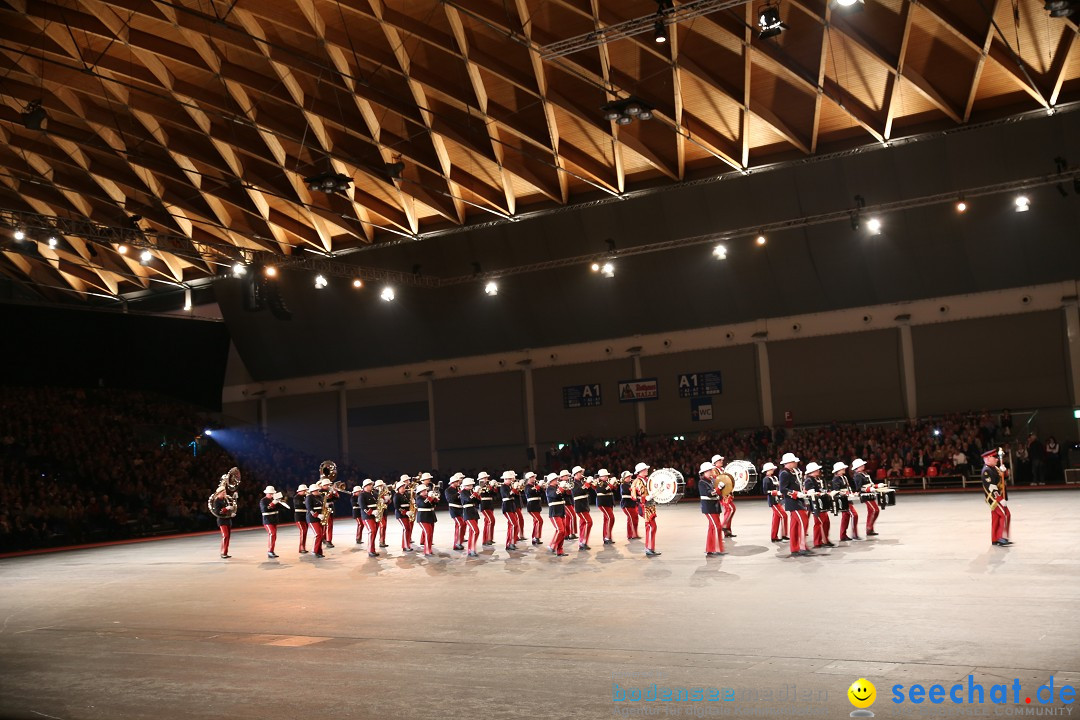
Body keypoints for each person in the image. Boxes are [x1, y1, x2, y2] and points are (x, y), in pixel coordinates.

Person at [778, 452, 811, 557]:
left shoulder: (792, 472)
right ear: (789, 463)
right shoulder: (784, 473)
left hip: (797, 501)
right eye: (793, 461)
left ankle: (794, 548)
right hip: (793, 502)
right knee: (803, 522)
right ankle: (802, 546)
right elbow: (782, 489)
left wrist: (802, 492)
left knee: (795, 526)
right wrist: (795, 494)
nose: (796, 463)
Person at [981, 449, 1013, 547]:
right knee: (1004, 514)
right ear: (988, 458)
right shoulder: (986, 471)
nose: (997, 459)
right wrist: (1000, 499)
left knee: (997, 517)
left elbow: (1004, 479)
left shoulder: (994, 468)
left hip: (999, 496)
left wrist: (1005, 472)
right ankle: (1001, 537)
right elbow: (991, 487)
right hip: (994, 498)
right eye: (994, 458)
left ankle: (995, 539)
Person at [630, 462, 660, 557]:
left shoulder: (648, 480)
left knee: (653, 527)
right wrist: (645, 498)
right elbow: (633, 496)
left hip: (650, 505)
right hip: (644, 506)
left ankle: (651, 548)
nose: (647, 470)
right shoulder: (636, 481)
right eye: (645, 469)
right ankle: (649, 548)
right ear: (640, 471)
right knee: (650, 527)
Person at [803, 462, 833, 549]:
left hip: (821, 503)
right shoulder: (809, 480)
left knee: (825, 522)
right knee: (819, 522)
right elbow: (811, 492)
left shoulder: (817, 479)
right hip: (815, 504)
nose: (818, 471)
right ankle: (819, 541)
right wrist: (821, 493)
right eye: (816, 470)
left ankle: (824, 539)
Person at [698, 461, 724, 557]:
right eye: (709, 470)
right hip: (709, 507)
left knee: (712, 527)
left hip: (714, 506)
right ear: (704, 472)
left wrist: (720, 490)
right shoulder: (702, 482)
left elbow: (716, 492)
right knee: (717, 526)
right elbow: (710, 493)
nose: (711, 472)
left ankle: (710, 549)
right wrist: (718, 489)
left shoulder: (712, 480)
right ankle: (717, 549)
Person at [830, 461, 860, 541]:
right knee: (854, 515)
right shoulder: (835, 479)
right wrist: (846, 493)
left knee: (845, 517)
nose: (844, 469)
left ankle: (843, 535)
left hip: (847, 498)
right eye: (842, 468)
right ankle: (854, 534)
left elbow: (848, 487)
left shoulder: (844, 477)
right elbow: (837, 490)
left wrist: (851, 493)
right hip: (843, 500)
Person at [761, 462, 787, 543]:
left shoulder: (775, 477)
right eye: (771, 469)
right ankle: (784, 535)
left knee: (776, 519)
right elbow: (765, 491)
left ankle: (774, 536)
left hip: (778, 500)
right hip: (773, 501)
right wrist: (774, 492)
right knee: (784, 516)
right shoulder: (766, 479)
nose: (773, 470)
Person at [852, 458, 878, 536]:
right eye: (861, 465)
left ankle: (870, 529)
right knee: (874, 510)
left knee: (872, 511)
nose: (863, 465)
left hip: (869, 494)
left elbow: (870, 483)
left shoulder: (864, 473)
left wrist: (876, 486)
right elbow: (859, 488)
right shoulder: (858, 475)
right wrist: (869, 488)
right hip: (865, 495)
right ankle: (869, 527)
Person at [712, 454, 736, 538]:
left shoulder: (722, 470)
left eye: (721, 460)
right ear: (715, 462)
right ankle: (723, 526)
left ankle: (727, 531)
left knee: (730, 509)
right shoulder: (714, 470)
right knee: (731, 509)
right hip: (722, 494)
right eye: (719, 460)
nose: (721, 461)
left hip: (727, 493)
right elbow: (716, 482)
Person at [545, 473, 568, 557]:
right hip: (554, 512)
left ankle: (560, 551)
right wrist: (561, 488)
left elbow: (567, 496)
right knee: (560, 530)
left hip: (561, 511)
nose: (557, 481)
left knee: (563, 532)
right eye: (555, 479)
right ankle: (552, 545)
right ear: (551, 481)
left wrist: (566, 488)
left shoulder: (556, 488)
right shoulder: (549, 489)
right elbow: (555, 495)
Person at [210, 485, 235, 559]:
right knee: (225, 536)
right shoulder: (216, 501)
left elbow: (229, 509)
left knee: (228, 537)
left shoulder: (225, 500)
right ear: (219, 493)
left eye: (225, 492)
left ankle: (225, 552)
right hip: (221, 520)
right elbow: (218, 512)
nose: (225, 493)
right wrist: (226, 508)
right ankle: (223, 552)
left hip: (227, 519)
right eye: (223, 492)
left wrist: (231, 513)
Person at [499, 471, 522, 550]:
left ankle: (510, 543)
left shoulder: (509, 486)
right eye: (510, 479)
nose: (512, 480)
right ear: (506, 479)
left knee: (511, 525)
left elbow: (516, 496)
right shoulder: (503, 487)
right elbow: (507, 495)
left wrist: (517, 488)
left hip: (512, 507)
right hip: (507, 507)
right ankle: (511, 543)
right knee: (513, 524)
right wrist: (514, 489)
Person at [572, 467, 593, 550]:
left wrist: (590, 484)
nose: (582, 474)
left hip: (584, 505)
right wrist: (587, 484)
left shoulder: (581, 482)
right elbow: (578, 492)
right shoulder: (572, 483)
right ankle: (583, 542)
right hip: (580, 506)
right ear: (576, 473)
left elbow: (585, 491)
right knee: (588, 522)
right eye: (580, 472)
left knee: (583, 524)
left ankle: (582, 543)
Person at [259, 485, 283, 559]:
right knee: (272, 534)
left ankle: (272, 551)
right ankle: (270, 551)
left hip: (274, 519)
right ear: (267, 493)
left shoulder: (273, 499)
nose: (272, 495)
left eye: (272, 493)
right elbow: (264, 509)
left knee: (274, 535)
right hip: (267, 520)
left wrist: (280, 502)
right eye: (270, 493)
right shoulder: (263, 500)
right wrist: (273, 503)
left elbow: (280, 508)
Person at [414, 482, 438, 556]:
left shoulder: (426, 498)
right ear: (420, 492)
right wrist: (430, 498)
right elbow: (423, 504)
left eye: (426, 490)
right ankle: (427, 550)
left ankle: (429, 549)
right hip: (423, 518)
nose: (426, 492)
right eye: (424, 491)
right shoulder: (419, 498)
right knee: (428, 532)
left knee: (430, 533)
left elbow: (433, 505)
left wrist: (435, 499)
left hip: (430, 517)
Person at [358, 479, 380, 557]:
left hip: (375, 515)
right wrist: (371, 512)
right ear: (365, 486)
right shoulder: (362, 495)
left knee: (374, 532)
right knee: (372, 531)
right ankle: (370, 550)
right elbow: (363, 506)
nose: (371, 486)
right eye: (370, 485)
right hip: (367, 516)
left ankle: (373, 549)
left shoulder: (374, 493)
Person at [594, 469, 616, 545]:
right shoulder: (597, 482)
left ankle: (607, 537)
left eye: (607, 475)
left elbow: (613, 489)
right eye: (605, 476)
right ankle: (607, 537)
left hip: (608, 502)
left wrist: (614, 484)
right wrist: (611, 484)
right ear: (600, 476)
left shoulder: (606, 482)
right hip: (603, 502)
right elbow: (603, 490)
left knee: (607, 520)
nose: (607, 477)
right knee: (611, 518)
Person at [460, 478, 481, 557]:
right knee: (476, 531)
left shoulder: (470, 492)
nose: (472, 486)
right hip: (468, 513)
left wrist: (478, 494)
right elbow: (468, 499)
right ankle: (471, 549)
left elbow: (478, 502)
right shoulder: (463, 492)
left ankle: (471, 549)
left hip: (473, 512)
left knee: (473, 532)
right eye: (470, 485)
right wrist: (475, 493)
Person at [305, 482, 326, 558]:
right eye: (316, 490)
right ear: (312, 491)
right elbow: (309, 509)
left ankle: (319, 551)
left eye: (318, 490)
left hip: (320, 517)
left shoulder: (319, 496)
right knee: (318, 534)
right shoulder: (309, 497)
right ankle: (314, 550)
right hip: (312, 518)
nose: (317, 491)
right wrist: (317, 515)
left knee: (321, 535)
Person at [393, 478, 414, 552]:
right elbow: (396, 507)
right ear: (398, 488)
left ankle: (407, 544)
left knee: (408, 528)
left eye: (404, 486)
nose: (404, 488)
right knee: (406, 528)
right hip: (400, 514)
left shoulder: (406, 494)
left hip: (407, 514)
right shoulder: (396, 495)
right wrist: (405, 512)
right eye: (402, 487)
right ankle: (405, 546)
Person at [619, 470, 640, 540]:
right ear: (624, 478)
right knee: (632, 519)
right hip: (626, 505)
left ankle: (631, 534)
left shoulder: (630, 484)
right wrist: (634, 488)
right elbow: (626, 491)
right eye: (628, 477)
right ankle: (633, 534)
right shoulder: (623, 485)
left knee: (633, 518)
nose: (630, 478)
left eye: (630, 476)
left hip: (631, 505)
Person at [446, 473, 465, 551]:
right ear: (452, 483)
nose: (458, 483)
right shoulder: (448, 490)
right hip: (454, 510)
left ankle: (458, 543)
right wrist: (459, 492)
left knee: (460, 525)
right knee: (460, 524)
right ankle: (457, 543)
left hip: (460, 509)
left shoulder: (458, 489)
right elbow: (450, 499)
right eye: (456, 482)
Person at [524, 473, 545, 544]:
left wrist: (542, 487)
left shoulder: (534, 486)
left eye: (534, 477)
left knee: (536, 522)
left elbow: (542, 493)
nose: (534, 478)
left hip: (537, 506)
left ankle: (534, 538)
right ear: (528, 478)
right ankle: (536, 537)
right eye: (532, 477)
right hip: (532, 506)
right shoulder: (527, 486)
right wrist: (538, 486)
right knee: (539, 521)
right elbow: (530, 491)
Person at [477, 471, 496, 545]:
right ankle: (487, 539)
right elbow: (481, 493)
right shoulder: (478, 486)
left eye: (487, 477)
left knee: (487, 522)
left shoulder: (488, 485)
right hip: (484, 505)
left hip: (490, 504)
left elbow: (494, 494)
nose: (487, 479)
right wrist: (488, 487)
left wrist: (493, 487)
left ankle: (487, 539)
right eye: (485, 478)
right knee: (491, 520)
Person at [562, 469, 578, 540]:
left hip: (570, 501)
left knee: (568, 519)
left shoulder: (569, 482)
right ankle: (572, 532)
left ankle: (566, 534)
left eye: (568, 475)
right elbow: (567, 493)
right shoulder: (561, 483)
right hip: (566, 502)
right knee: (573, 516)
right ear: (562, 477)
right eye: (566, 476)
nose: (568, 477)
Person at [293, 484, 309, 554]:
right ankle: (301, 547)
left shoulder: (306, 497)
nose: (306, 492)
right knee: (303, 530)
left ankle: (303, 547)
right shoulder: (296, 497)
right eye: (304, 490)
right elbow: (299, 504)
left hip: (305, 516)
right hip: (299, 517)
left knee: (305, 532)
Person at [374, 480, 391, 548]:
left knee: (384, 526)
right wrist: (383, 498)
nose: (381, 487)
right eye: (380, 486)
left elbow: (388, 502)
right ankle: (380, 541)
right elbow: (376, 499)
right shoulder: (374, 492)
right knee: (382, 526)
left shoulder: (384, 492)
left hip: (384, 510)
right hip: (377, 511)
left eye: (382, 485)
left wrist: (388, 499)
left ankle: (382, 541)